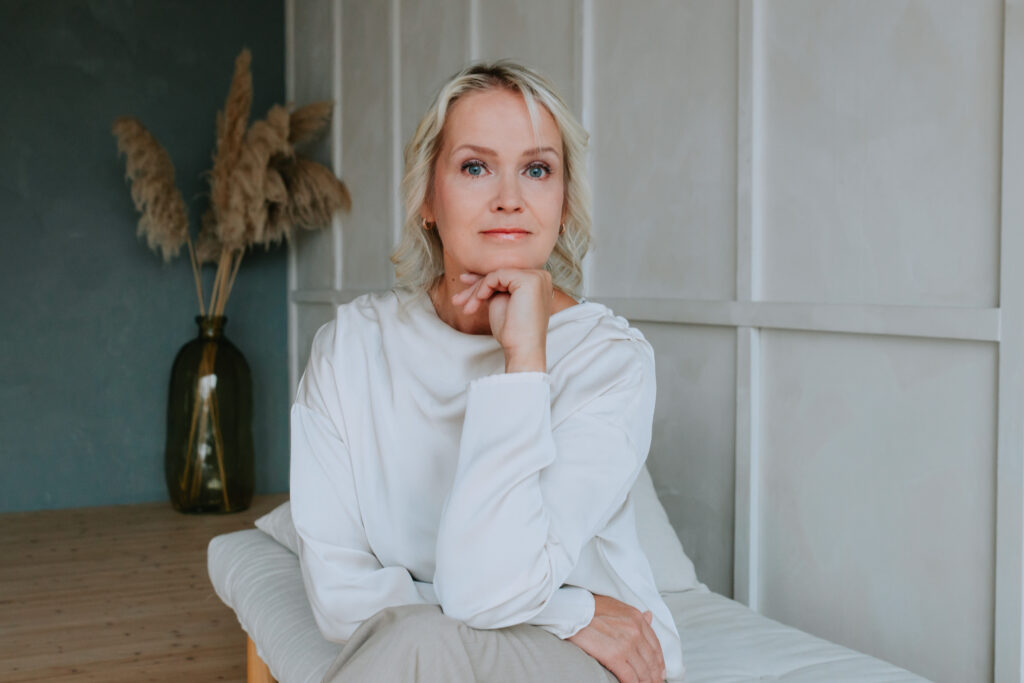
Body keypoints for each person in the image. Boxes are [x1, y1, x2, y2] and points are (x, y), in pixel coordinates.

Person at [290, 60, 685, 683]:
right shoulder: (351, 348)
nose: (509, 198)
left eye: (537, 169)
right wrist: (573, 610)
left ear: (562, 201)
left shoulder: (608, 360)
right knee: (417, 643)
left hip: (594, 663)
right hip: (567, 630)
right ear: (427, 196)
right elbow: (340, 599)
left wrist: (524, 362)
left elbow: (488, 586)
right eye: (475, 167)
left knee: (415, 643)